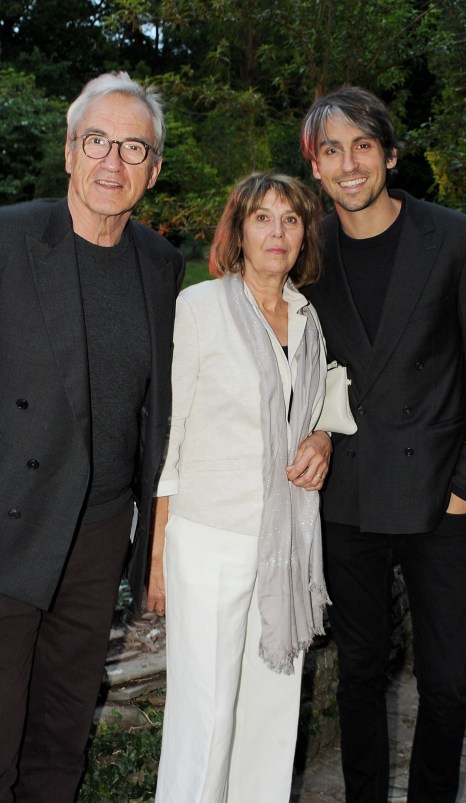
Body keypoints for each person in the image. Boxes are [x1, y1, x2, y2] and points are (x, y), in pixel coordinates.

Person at [0, 71, 184, 802]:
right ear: (69, 151)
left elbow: (161, 413)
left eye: (134, 148)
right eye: (97, 141)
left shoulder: (160, 265)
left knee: (60, 740)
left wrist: (154, 547)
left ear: (153, 170)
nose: (113, 162)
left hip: (97, 537)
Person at [299, 86, 466, 802]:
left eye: (363, 145)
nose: (349, 163)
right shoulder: (304, 250)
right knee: (360, 673)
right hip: (349, 498)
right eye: (331, 149)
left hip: (439, 499)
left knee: (447, 682)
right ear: (315, 166)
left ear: (390, 155)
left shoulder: (456, 240)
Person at [147, 171, 332, 802]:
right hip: (209, 540)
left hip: (284, 546)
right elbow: (169, 435)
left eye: (291, 219)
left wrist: (323, 439)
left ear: (305, 233)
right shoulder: (200, 307)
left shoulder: (310, 320)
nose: (277, 232)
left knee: (272, 715)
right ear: (239, 229)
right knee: (205, 715)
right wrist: (158, 551)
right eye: (263, 217)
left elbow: (317, 412)